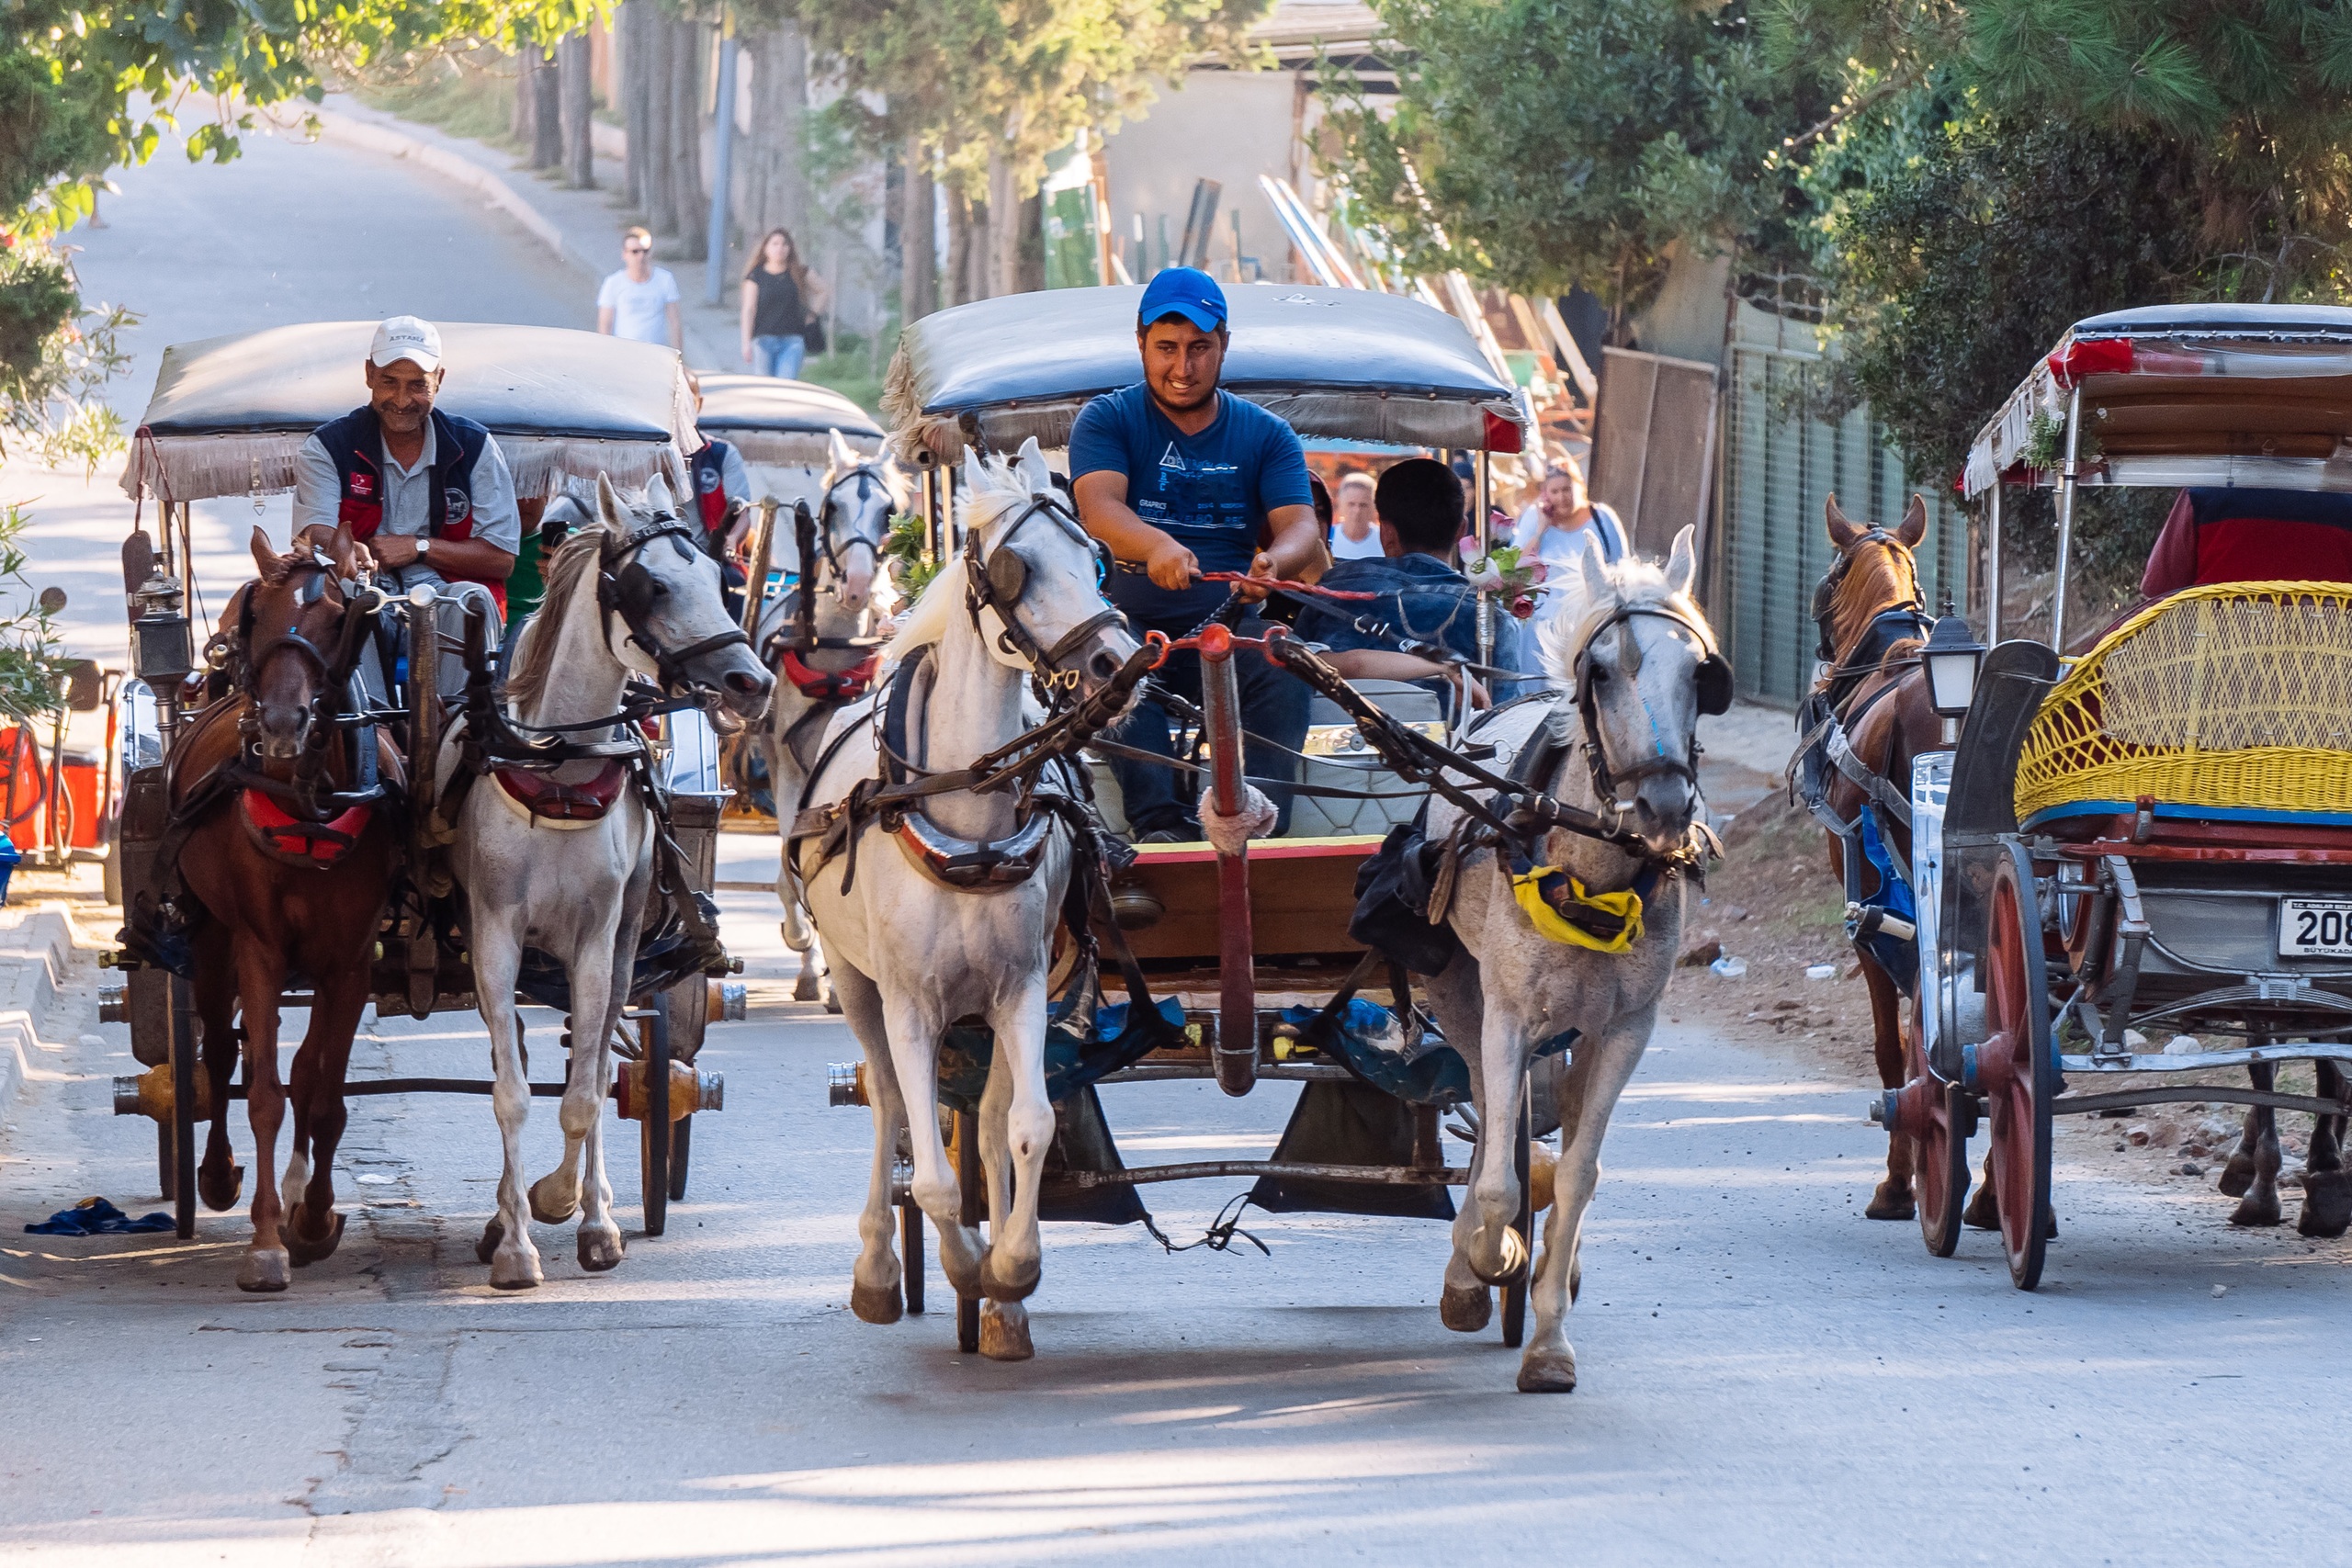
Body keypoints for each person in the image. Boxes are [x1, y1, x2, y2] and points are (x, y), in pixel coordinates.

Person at [1069, 266, 1323, 841]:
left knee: (1284, 663)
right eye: (1166, 348)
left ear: (1224, 345)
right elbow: (1099, 508)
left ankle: (1256, 821)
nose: (1182, 368)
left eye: (1199, 349)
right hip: (1128, 623)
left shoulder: (1268, 434)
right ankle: (1158, 825)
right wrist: (1157, 545)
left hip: (1228, 628)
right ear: (1140, 342)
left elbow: (1300, 525)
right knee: (1110, 658)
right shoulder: (1107, 419)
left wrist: (1274, 564)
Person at [289, 315, 520, 705]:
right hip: (366, 587)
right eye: (389, 382)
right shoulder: (328, 446)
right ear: (368, 374)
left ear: (439, 380)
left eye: (417, 385)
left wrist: (419, 547)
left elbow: (501, 559)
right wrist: (346, 548)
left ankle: (455, 723)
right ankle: (370, 725)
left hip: (444, 592)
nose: (400, 400)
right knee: (343, 596)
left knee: (471, 599)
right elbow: (315, 532)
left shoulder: (475, 446)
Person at [1292, 457, 1517, 715]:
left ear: (1385, 532)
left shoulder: (1327, 596)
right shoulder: (1488, 616)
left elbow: (1293, 692)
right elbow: (1505, 720)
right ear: (1461, 531)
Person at [682, 370, 754, 619]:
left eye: (687, 398)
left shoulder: (722, 454)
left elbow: (742, 512)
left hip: (709, 558)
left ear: (698, 404)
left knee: (734, 584)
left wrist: (732, 539)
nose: (681, 404)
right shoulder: (648, 452)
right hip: (657, 554)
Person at [740, 227, 827, 378]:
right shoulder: (756, 276)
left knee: (786, 388)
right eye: (775, 244)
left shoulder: (799, 273)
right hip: (763, 341)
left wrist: (812, 314)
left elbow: (824, 291)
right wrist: (746, 343)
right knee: (766, 389)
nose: (780, 248)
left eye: (784, 244)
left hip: (792, 341)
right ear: (765, 248)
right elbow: (748, 310)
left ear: (790, 248)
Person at [1513, 457, 1626, 572]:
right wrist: (1540, 530)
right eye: (1554, 492)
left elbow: (1622, 567)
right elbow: (1514, 567)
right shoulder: (1534, 516)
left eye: (1566, 489)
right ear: (1545, 494)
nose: (1561, 498)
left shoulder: (1602, 517)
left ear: (1580, 486)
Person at [597, 227, 683, 350]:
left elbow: (675, 322)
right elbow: (605, 325)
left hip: (655, 354)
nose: (641, 256)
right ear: (624, 254)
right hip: (624, 354)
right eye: (635, 252)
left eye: (645, 251)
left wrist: (678, 357)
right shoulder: (613, 283)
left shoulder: (665, 280)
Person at [1329, 470, 1383, 559]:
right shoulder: (1329, 536)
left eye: (1363, 505)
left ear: (1373, 507)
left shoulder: (1384, 539)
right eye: (1351, 504)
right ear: (1341, 504)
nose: (1357, 511)